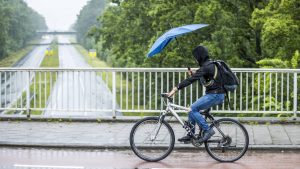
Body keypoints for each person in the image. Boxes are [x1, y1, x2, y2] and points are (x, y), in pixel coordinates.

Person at [167, 45, 225, 143]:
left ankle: (208, 130)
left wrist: (175, 88)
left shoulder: (206, 67)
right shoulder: (209, 64)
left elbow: (190, 80)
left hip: (215, 95)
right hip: (215, 94)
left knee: (192, 108)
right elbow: (204, 75)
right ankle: (191, 134)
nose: (195, 60)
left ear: (200, 56)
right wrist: (194, 73)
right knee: (191, 109)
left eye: (196, 57)